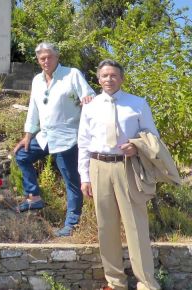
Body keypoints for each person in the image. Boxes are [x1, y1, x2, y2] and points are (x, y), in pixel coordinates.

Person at [78, 60, 161, 290]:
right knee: (106, 227)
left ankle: (146, 283)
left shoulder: (137, 104)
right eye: (104, 76)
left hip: (128, 167)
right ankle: (115, 282)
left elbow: (152, 136)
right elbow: (83, 143)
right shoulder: (90, 106)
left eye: (113, 75)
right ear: (98, 79)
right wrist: (84, 176)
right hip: (98, 166)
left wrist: (137, 146)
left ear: (122, 79)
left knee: (136, 225)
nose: (109, 79)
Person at [13, 42, 95, 237]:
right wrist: (27, 136)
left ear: (57, 57)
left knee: (72, 182)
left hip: (68, 137)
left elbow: (88, 95)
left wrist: (87, 100)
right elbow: (33, 109)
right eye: (42, 58)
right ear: (38, 60)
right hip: (45, 136)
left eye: (49, 57)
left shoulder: (71, 74)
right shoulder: (37, 80)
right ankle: (33, 196)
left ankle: (71, 225)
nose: (46, 61)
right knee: (22, 155)